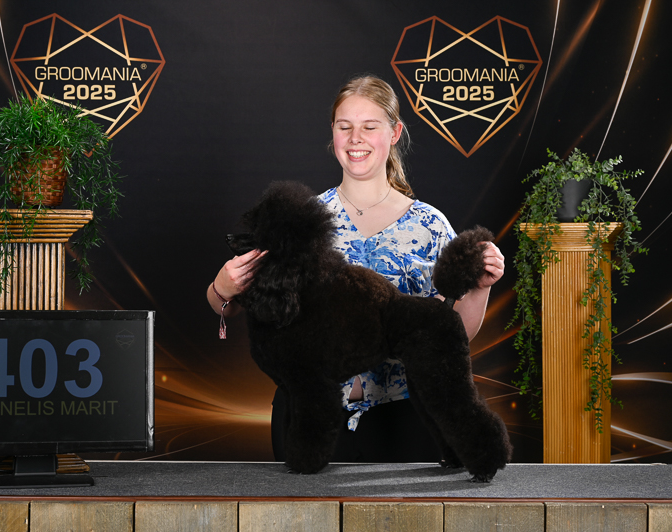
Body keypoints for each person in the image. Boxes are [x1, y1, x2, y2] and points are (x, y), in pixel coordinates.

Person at [206, 75, 504, 463]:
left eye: (369, 126)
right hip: (310, 413)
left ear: (394, 133)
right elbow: (234, 302)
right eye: (345, 127)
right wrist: (222, 288)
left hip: (406, 421)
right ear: (332, 133)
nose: (355, 138)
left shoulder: (431, 226)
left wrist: (481, 286)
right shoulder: (298, 222)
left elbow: (450, 332)